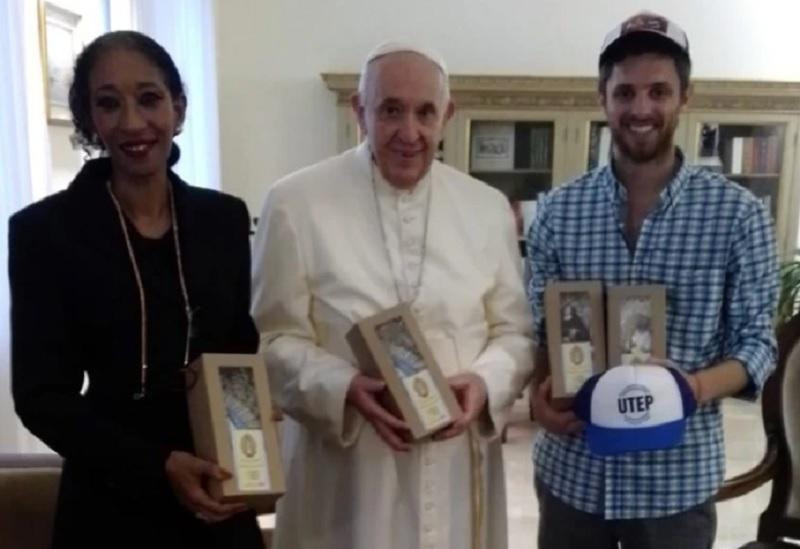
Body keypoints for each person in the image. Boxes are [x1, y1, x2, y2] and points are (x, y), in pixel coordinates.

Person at [251, 41, 534, 549]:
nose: (410, 132)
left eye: (426, 112)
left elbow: (514, 332)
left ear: (447, 115)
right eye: (390, 110)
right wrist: (344, 386)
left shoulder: (488, 209)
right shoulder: (296, 203)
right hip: (349, 476)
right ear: (359, 111)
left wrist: (485, 382)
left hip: (455, 466)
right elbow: (273, 342)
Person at [527, 12, 778, 549]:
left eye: (658, 91)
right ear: (603, 98)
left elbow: (758, 344)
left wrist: (692, 389)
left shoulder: (739, 216)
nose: (641, 109)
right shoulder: (555, 212)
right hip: (573, 477)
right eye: (626, 93)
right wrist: (537, 396)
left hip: (675, 485)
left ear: (685, 97)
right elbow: (537, 333)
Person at [9, 31, 263, 548]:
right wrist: (157, 465)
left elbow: (239, 350)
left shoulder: (224, 219)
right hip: (109, 497)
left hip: (218, 488)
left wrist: (250, 434)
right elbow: (40, 396)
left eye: (148, 98)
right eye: (108, 104)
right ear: (89, 118)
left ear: (178, 106)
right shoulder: (44, 231)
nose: (131, 122)